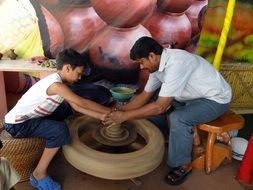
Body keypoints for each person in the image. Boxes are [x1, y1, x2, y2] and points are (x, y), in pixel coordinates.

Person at [104, 36, 232, 185]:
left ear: (152, 55)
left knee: (178, 118)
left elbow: (160, 107)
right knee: (151, 103)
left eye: (141, 62)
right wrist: (118, 111)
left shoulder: (177, 63)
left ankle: (183, 164)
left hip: (216, 99)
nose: (141, 67)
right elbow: (144, 96)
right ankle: (170, 137)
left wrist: (124, 117)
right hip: (189, 97)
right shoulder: (157, 67)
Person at [4, 48, 111, 190]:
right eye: (78, 74)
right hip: (18, 124)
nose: (80, 78)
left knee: (66, 107)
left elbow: (76, 106)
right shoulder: (56, 85)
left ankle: (54, 141)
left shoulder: (61, 82)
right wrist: (113, 112)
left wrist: (101, 116)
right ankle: (38, 174)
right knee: (60, 130)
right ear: (67, 68)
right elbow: (82, 103)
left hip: (29, 118)